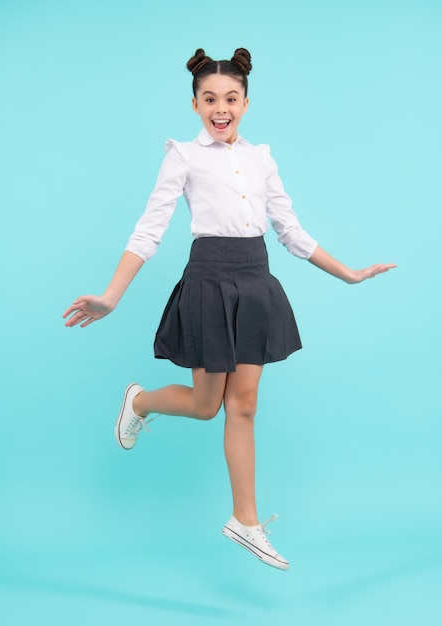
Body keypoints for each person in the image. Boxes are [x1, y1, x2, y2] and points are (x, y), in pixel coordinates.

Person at [63, 48, 396, 571]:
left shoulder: (263, 157)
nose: (221, 108)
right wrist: (111, 296)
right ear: (195, 104)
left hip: (255, 279)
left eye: (231, 99)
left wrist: (349, 273)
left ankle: (245, 520)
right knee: (204, 405)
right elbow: (149, 231)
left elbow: (291, 232)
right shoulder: (183, 155)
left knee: (243, 406)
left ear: (246, 102)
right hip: (210, 279)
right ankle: (141, 402)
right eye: (210, 99)